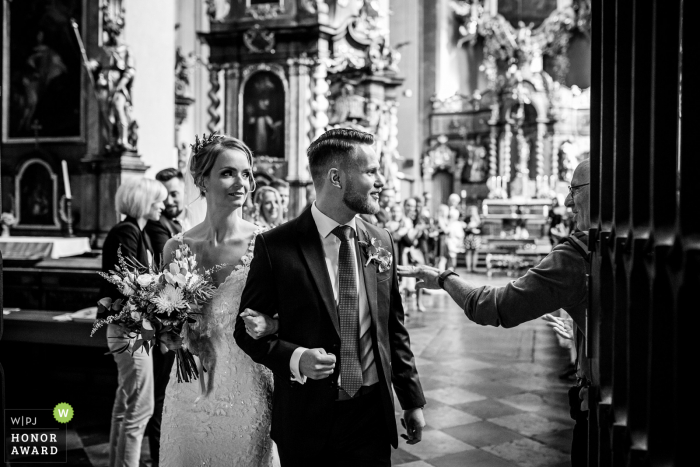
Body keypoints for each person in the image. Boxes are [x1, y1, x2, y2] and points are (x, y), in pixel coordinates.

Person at [235, 128, 426, 467]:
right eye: (371, 171)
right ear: (336, 178)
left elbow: (393, 329)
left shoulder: (381, 240)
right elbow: (244, 331)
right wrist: (297, 358)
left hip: (371, 415)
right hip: (307, 419)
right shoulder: (277, 246)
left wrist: (412, 400)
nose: (381, 180)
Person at [399, 159, 592, 467]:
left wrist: (444, 278)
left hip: (599, 410)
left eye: (574, 190)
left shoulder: (576, 256)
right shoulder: (624, 242)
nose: (568, 201)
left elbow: (494, 307)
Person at [158, 135, 279, 466]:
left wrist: (272, 323)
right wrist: (169, 334)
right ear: (202, 180)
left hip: (247, 390)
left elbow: (298, 315)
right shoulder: (175, 247)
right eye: (228, 173)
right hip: (189, 386)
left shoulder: (267, 244)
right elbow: (167, 319)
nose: (241, 183)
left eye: (246, 173)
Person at [100, 178, 166, 467]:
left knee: (126, 404)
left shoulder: (137, 232)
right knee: (140, 408)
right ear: (143, 202)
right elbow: (128, 286)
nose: (162, 205)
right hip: (127, 329)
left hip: (131, 328)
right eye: (157, 200)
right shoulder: (126, 232)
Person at [143, 168, 184, 467]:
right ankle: (160, 458)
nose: (169, 199)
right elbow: (173, 273)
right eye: (165, 193)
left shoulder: (177, 223)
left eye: (174, 192)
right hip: (165, 322)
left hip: (174, 318)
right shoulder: (160, 228)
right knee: (160, 398)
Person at [463, 205, 482, 272]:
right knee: (468, 252)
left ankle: (474, 267)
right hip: (468, 237)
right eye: (471, 210)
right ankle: (468, 268)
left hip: (476, 237)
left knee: (475, 252)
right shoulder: (467, 219)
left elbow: (481, 228)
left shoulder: (479, 219)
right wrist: (469, 228)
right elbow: (464, 228)